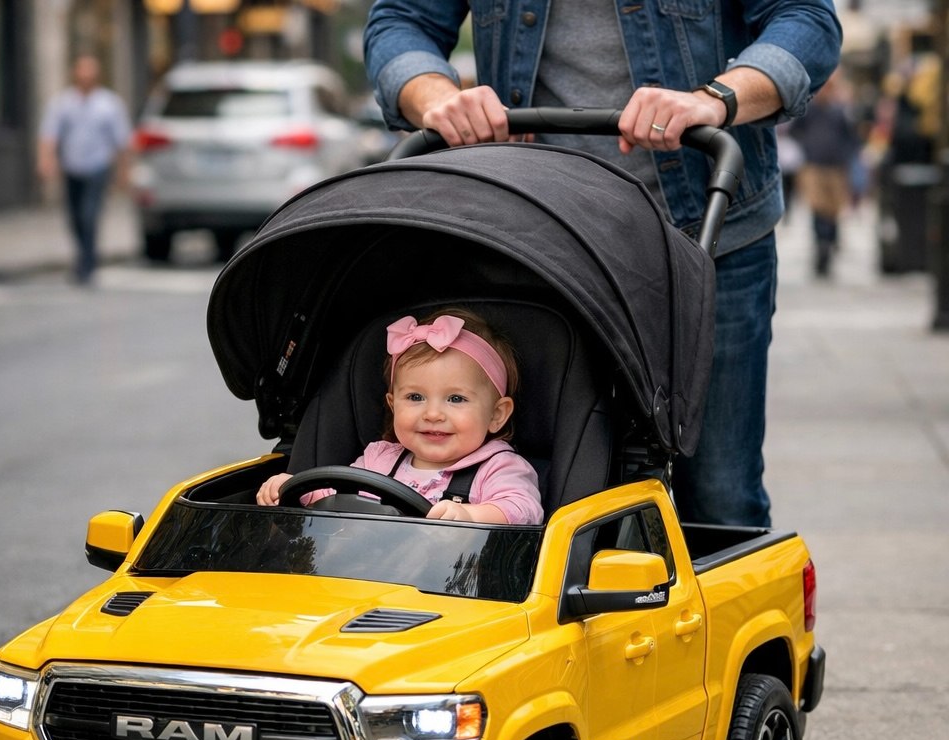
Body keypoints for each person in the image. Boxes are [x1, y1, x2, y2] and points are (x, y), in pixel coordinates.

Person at [363, 0, 842, 528]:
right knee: (564, 469)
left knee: (720, 492)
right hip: (536, 240)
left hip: (707, 233)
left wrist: (717, 98)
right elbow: (402, 19)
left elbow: (807, 20)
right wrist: (439, 98)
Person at [257, 308, 543, 525]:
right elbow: (338, 498)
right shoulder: (378, 459)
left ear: (496, 414)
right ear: (393, 405)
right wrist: (296, 488)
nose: (432, 414)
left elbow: (523, 509)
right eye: (415, 397)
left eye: (456, 399)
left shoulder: (498, 467)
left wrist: (471, 515)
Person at [38, 55, 131, 284]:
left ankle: (88, 264)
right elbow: (49, 134)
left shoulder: (109, 104)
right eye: (82, 71)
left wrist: (123, 172)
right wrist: (46, 160)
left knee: (89, 215)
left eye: (90, 72)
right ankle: (83, 257)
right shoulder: (62, 103)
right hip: (72, 167)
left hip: (98, 167)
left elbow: (122, 142)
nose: (85, 76)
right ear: (75, 73)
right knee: (75, 217)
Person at [789, 73, 861, 278]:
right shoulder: (809, 111)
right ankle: (821, 246)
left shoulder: (839, 112)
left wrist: (846, 155)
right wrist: (808, 147)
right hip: (815, 166)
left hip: (836, 167)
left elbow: (851, 138)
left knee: (833, 209)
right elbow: (795, 132)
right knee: (818, 208)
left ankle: (829, 243)